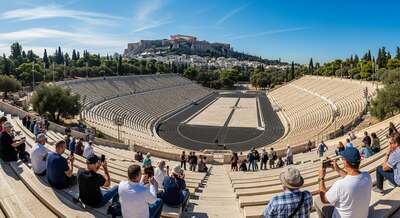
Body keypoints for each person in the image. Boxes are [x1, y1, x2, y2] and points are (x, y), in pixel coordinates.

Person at [316, 147, 372, 218]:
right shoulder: (367, 176)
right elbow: (352, 178)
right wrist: (338, 169)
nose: (342, 160)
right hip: (363, 216)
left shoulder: (340, 185)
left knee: (318, 200)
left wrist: (321, 178)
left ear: (345, 162)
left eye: (342, 159)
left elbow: (324, 199)